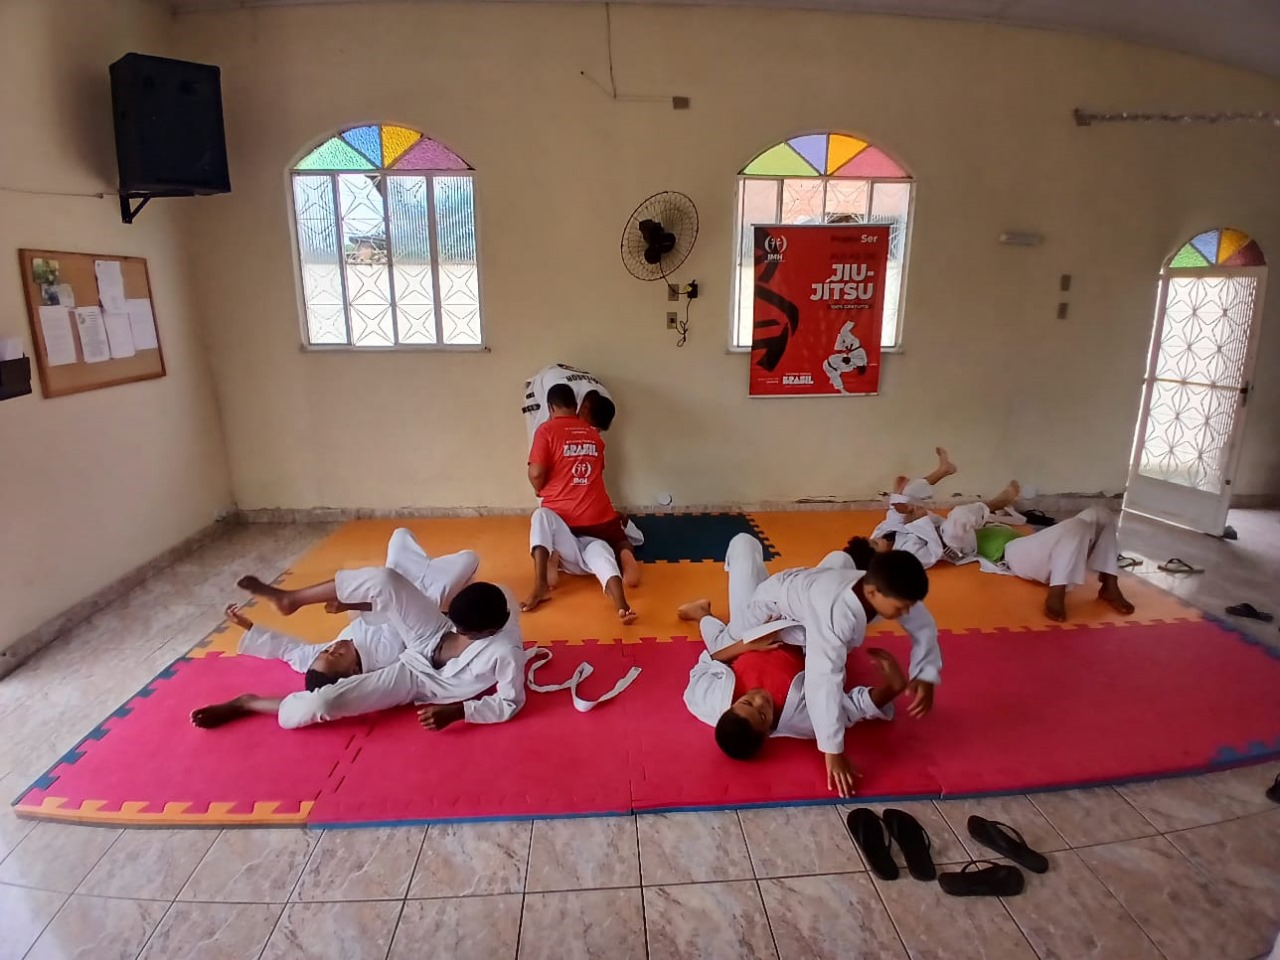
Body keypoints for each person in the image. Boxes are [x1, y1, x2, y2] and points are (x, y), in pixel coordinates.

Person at [677, 534, 940, 797]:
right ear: (768, 731)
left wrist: (746, 646)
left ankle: (702, 614)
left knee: (744, 542)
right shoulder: (799, 715)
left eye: (746, 702)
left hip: (759, 620)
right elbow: (827, 685)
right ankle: (704, 614)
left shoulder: (709, 700)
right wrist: (833, 750)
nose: (759, 701)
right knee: (839, 560)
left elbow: (709, 661)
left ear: (732, 705)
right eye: (763, 715)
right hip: (800, 614)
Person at [190, 561, 525, 732]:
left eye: (464, 631)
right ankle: (292, 598)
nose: (460, 631)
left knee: (325, 701)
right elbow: (453, 623)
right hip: (430, 634)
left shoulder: (504, 652)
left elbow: (509, 702)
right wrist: (446, 623)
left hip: (422, 679)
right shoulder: (487, 603)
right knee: (386, 579)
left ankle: (248, 703)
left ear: (487, 633)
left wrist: (459, 711)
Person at [234, 528, 480, 690]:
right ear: (353, 671)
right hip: (424, 598)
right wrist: (350, 604)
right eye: (336, 655)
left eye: (327, 650)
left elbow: (289, 650)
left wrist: (248, 626)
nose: (333, 647)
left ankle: (292, 599)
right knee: (470, 558)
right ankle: (452, 587)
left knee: (400, 535)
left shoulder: (318, 662)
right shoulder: (385, 656)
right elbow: (394, 607)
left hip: (391, 584)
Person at [524, 383, 638, 622]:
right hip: (600, 524)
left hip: (565, 527)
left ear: (551, 407)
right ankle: (621, 604)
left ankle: (541, 583)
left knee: (541, 517)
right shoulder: (594, 434)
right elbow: (597, 471)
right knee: (601, 551)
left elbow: (536, 472)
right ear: (576, 405)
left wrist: (539, 489)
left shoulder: (546, 430)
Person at [522, 363, 616, 444]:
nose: (588, 428)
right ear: (585, 408)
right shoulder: (560, 395)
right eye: (588, 424)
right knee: (543, 443)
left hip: (566, 375)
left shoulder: (605, 398)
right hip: (542, 386)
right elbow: (540, 433)